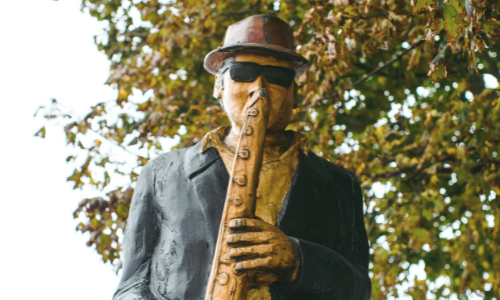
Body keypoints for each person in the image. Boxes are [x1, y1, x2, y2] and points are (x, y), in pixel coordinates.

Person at [113, 15, 371, 300]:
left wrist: (297, 259)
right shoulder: (162, 172)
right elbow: (130, 287)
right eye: (243, 73)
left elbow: (359, 288)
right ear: (218, 86)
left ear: (295, 94)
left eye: (277, 78)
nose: (258, 88)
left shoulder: (339, 183)